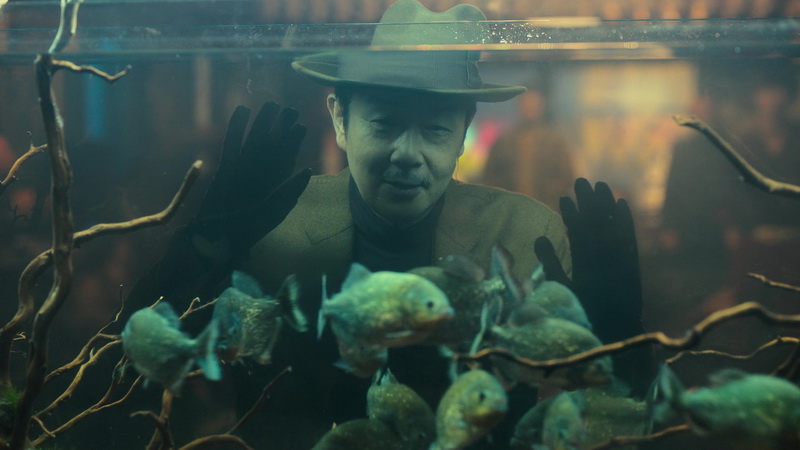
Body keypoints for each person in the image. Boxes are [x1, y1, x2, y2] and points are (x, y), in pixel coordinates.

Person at [123, 1, 648, 448]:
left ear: (464, 132)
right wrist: (201, 250)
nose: (407, 153)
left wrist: (621, 335)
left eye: (435, 130)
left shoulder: (523, 236)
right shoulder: (272, 225)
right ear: (340, 119)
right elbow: (126, 370)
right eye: (385, 123)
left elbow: (616, 418)